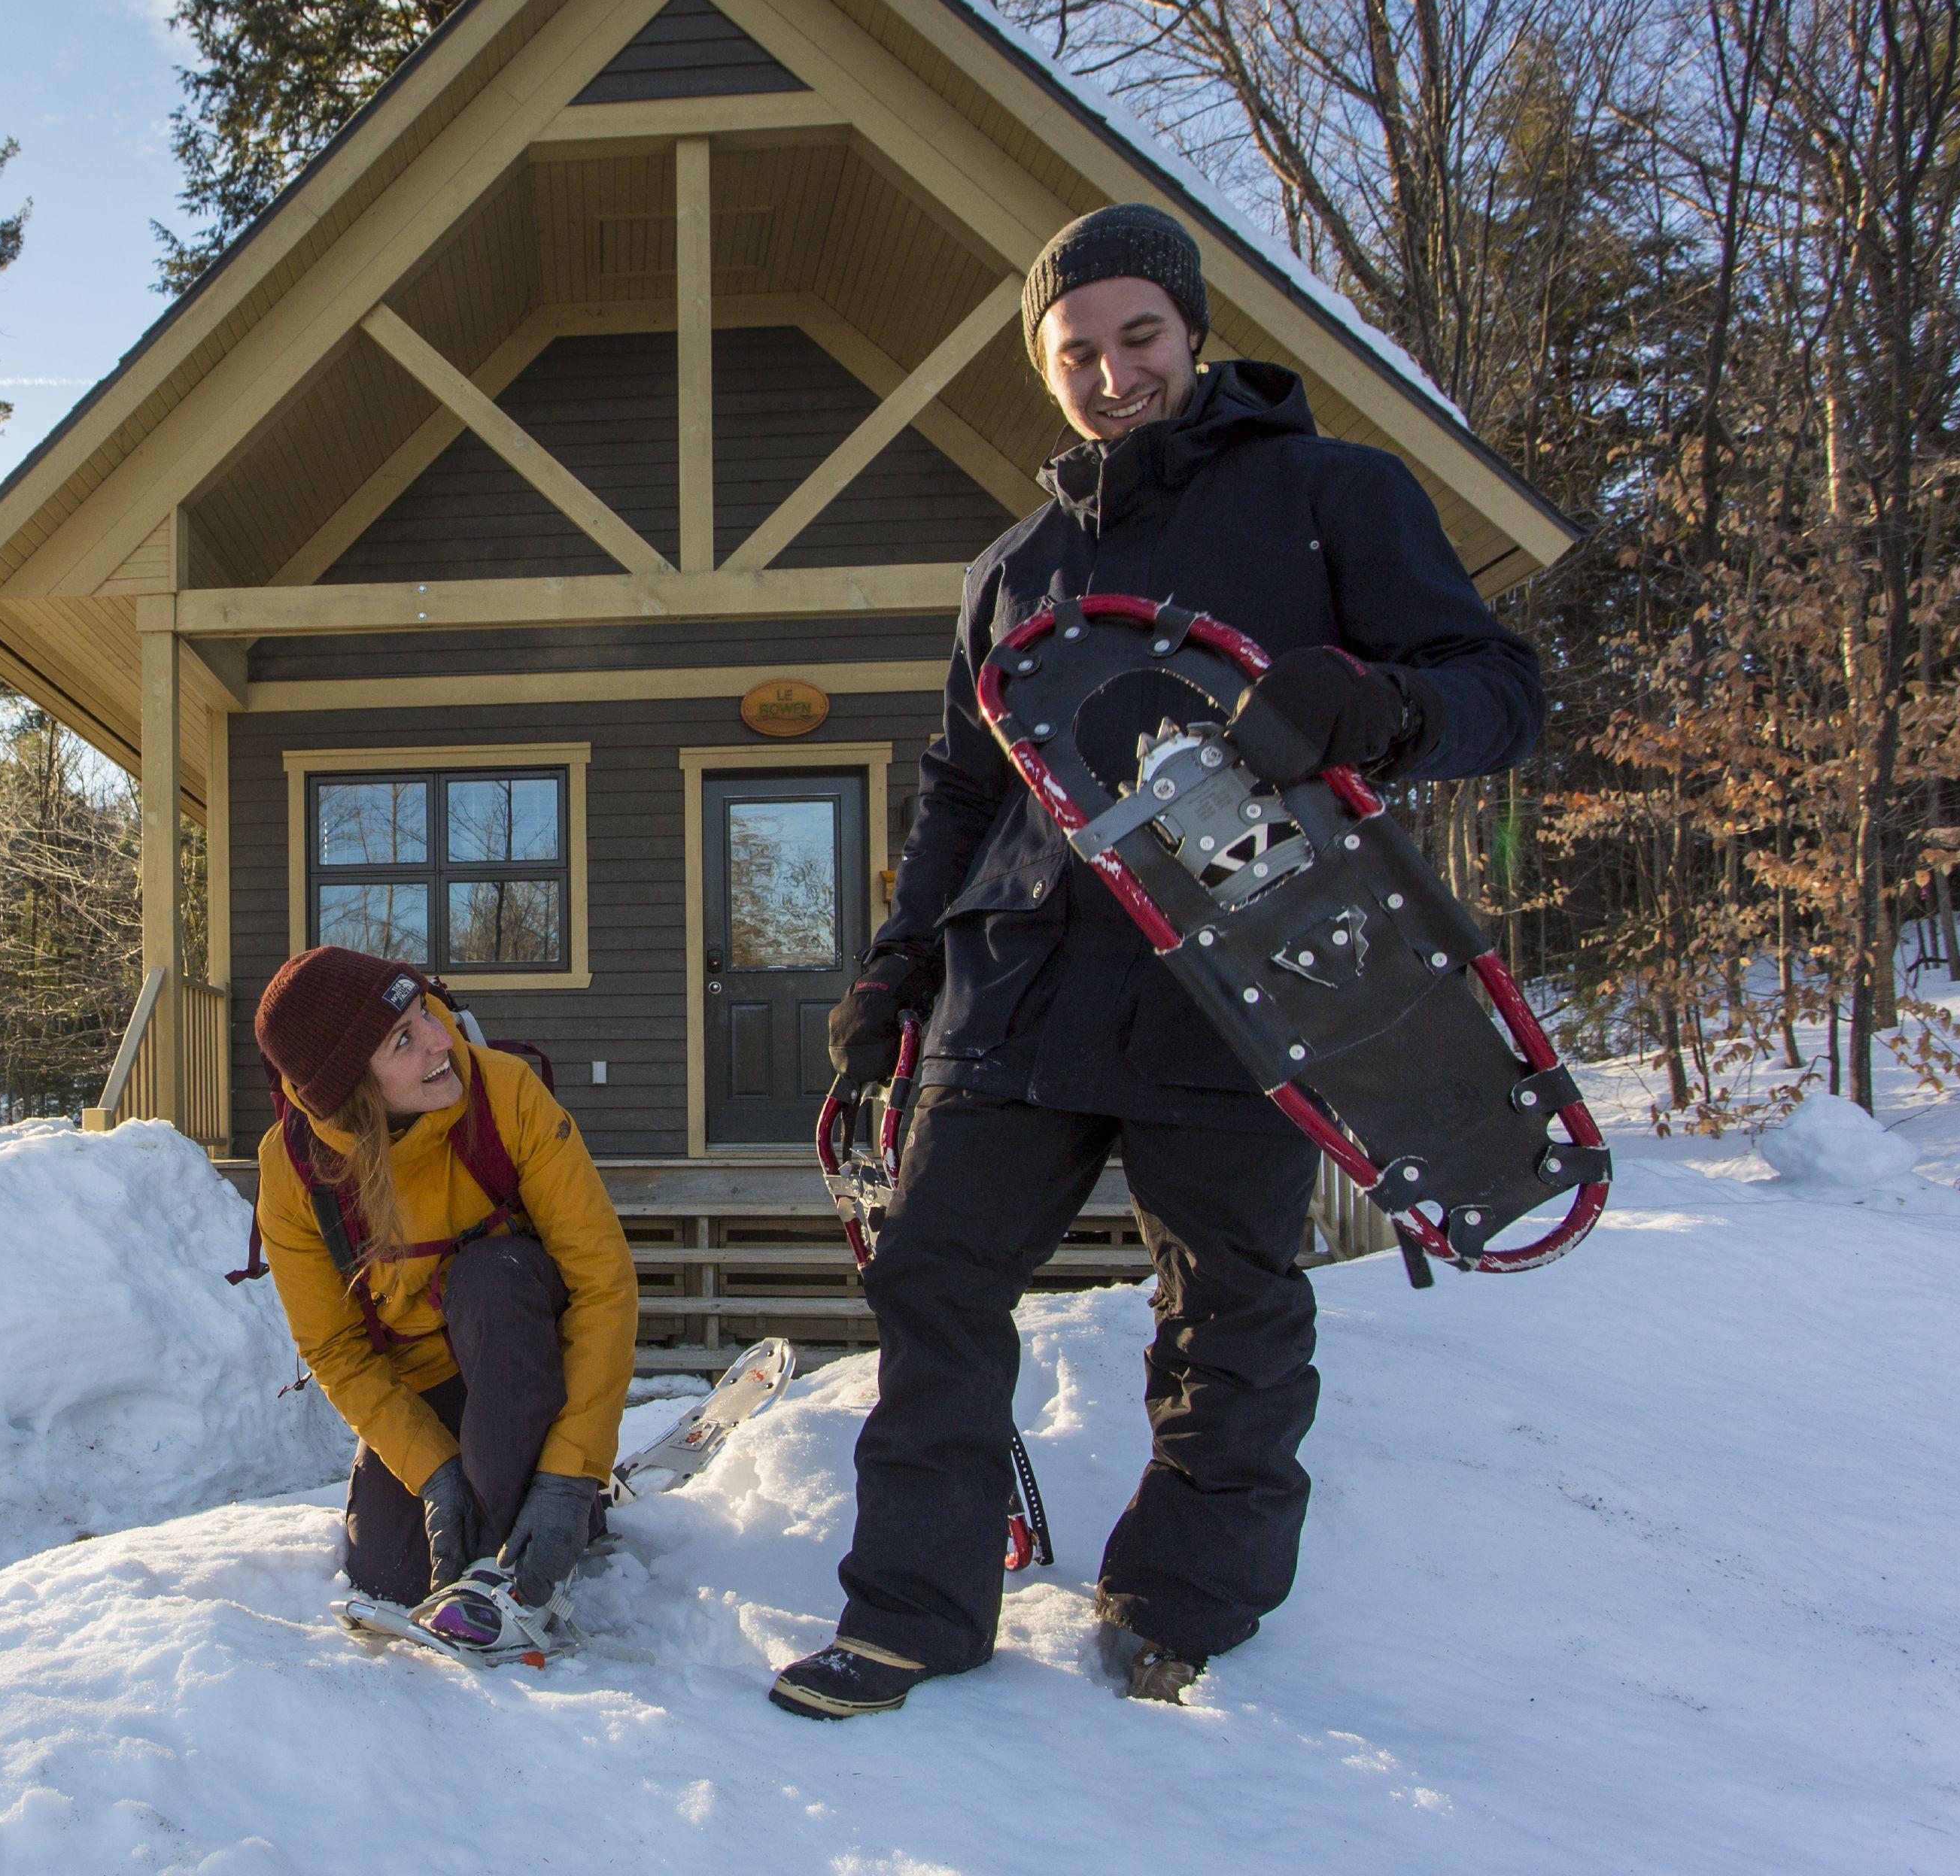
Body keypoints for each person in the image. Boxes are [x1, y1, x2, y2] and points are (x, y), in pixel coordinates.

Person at [769, 204, 1545, 1721]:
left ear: (1192, 331)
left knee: (1231, 1300)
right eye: (1077, 352)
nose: (1112, 372)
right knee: (935, 1276)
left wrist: (1378, 706)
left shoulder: (1331, 497)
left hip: (1243, 977)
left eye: (1138, 335)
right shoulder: (1017, 565)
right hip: (1025, 986)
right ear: (1044, 370)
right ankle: (913, 1613)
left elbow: (1499, 690)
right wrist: (894, 974)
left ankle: (1182, 1603)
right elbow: (965, 788)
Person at [251, 946, 640, 1612]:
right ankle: (514, 1513)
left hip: (517, 1344)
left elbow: (603, 1281)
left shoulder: (505, 1094)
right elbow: (336, 1351)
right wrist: (433, 1474)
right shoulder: (294, 1173)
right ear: (352, 1089)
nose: (442, 1041)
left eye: (423, 1010)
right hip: (422, 1382)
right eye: (405, 1039)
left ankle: (544, 1517)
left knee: (491, 1279)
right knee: (394, 1580)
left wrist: (571, 1473)